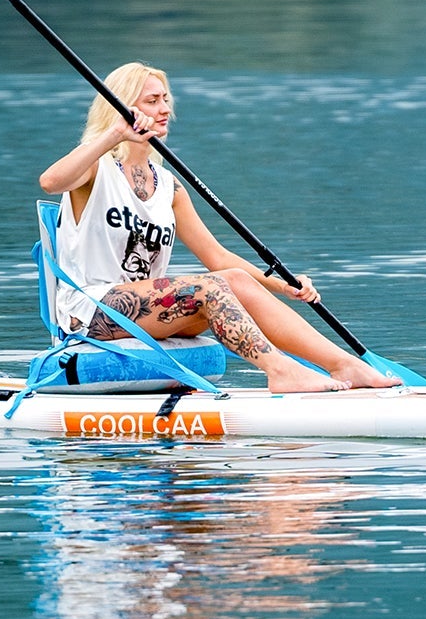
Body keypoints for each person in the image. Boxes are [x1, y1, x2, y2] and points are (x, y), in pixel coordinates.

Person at [39, 62, 401, 394]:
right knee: (209, 287)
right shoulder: (96, 169)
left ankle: (344, 365)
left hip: (148, 310)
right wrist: (114, 134)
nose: (166, 109)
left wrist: (281, 285)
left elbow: (217, 256)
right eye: (152, 101)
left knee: (232, 279)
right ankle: (280, 370)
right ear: (123, 109)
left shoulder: (168, 187)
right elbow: (51, 182)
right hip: (90, 310)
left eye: (166, 99)